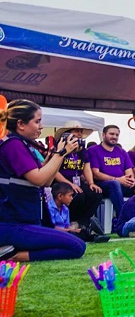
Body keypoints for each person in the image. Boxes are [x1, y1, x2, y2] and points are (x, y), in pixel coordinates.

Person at [0, 100, 86, 262]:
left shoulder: (21, 144)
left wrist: (58, 156)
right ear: (21, 124)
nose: (41, 126)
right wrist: (61, 153)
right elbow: (38, 179)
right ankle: (14, 256)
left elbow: (47, 181)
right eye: (37, 121)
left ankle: (12, 250)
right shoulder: (13, 145)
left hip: (23, 222)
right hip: (13, 225)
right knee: (77, 246)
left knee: (73, 241)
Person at [51, 121, 104, 235]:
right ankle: (72, 221)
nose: (79, 134)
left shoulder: (83, 151)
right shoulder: (59, 148)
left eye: (81, 131)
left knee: (95, 193)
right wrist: (70, 184)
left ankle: (84, 223)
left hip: (77, 181)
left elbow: (86, 167)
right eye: (76, 131)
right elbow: (54, 171)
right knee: (77, 196)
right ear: (67, 134)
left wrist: (91, 183)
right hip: (61, 182)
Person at [89, 124, 135, 217]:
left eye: (117, 135)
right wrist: (117, 179)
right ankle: (123, 218)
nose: (114, 137)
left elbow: (129, 171)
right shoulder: (94, 150)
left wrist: (131, 180)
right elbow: (96, 174)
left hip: (122, 184)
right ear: (103, 135)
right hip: (103, 185)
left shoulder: (122, 151)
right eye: (111, 134)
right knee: (114, 184)